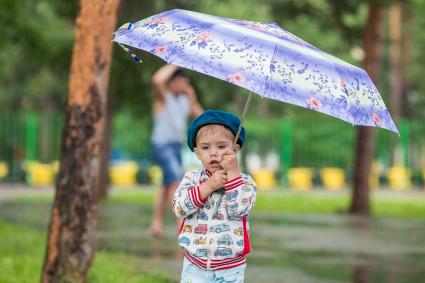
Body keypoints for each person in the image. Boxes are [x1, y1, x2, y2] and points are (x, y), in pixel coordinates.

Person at [173, 110, 257, 283]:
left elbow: (238, 209)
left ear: (235, 149)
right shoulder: (192, 178)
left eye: (221, 146)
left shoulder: (246, 183)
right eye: (205, 147)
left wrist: (233, 173)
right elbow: (179, 208)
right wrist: (209, 186)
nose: (213, 153)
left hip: (230, 269)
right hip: (194, 264)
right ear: (197, 153)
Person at [150, 64, 203, 238]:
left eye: (184, 82)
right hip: (162, 145)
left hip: (176, 146)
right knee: (175, 182)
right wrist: (175, 63)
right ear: (171, 82)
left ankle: (156, 223)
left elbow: (201, 117)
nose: (182, 85)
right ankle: (181, 224)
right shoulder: (163, 98)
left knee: (166, 186)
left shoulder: (184, 101)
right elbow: (157, 80)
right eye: (179, 81)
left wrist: (192, 98)